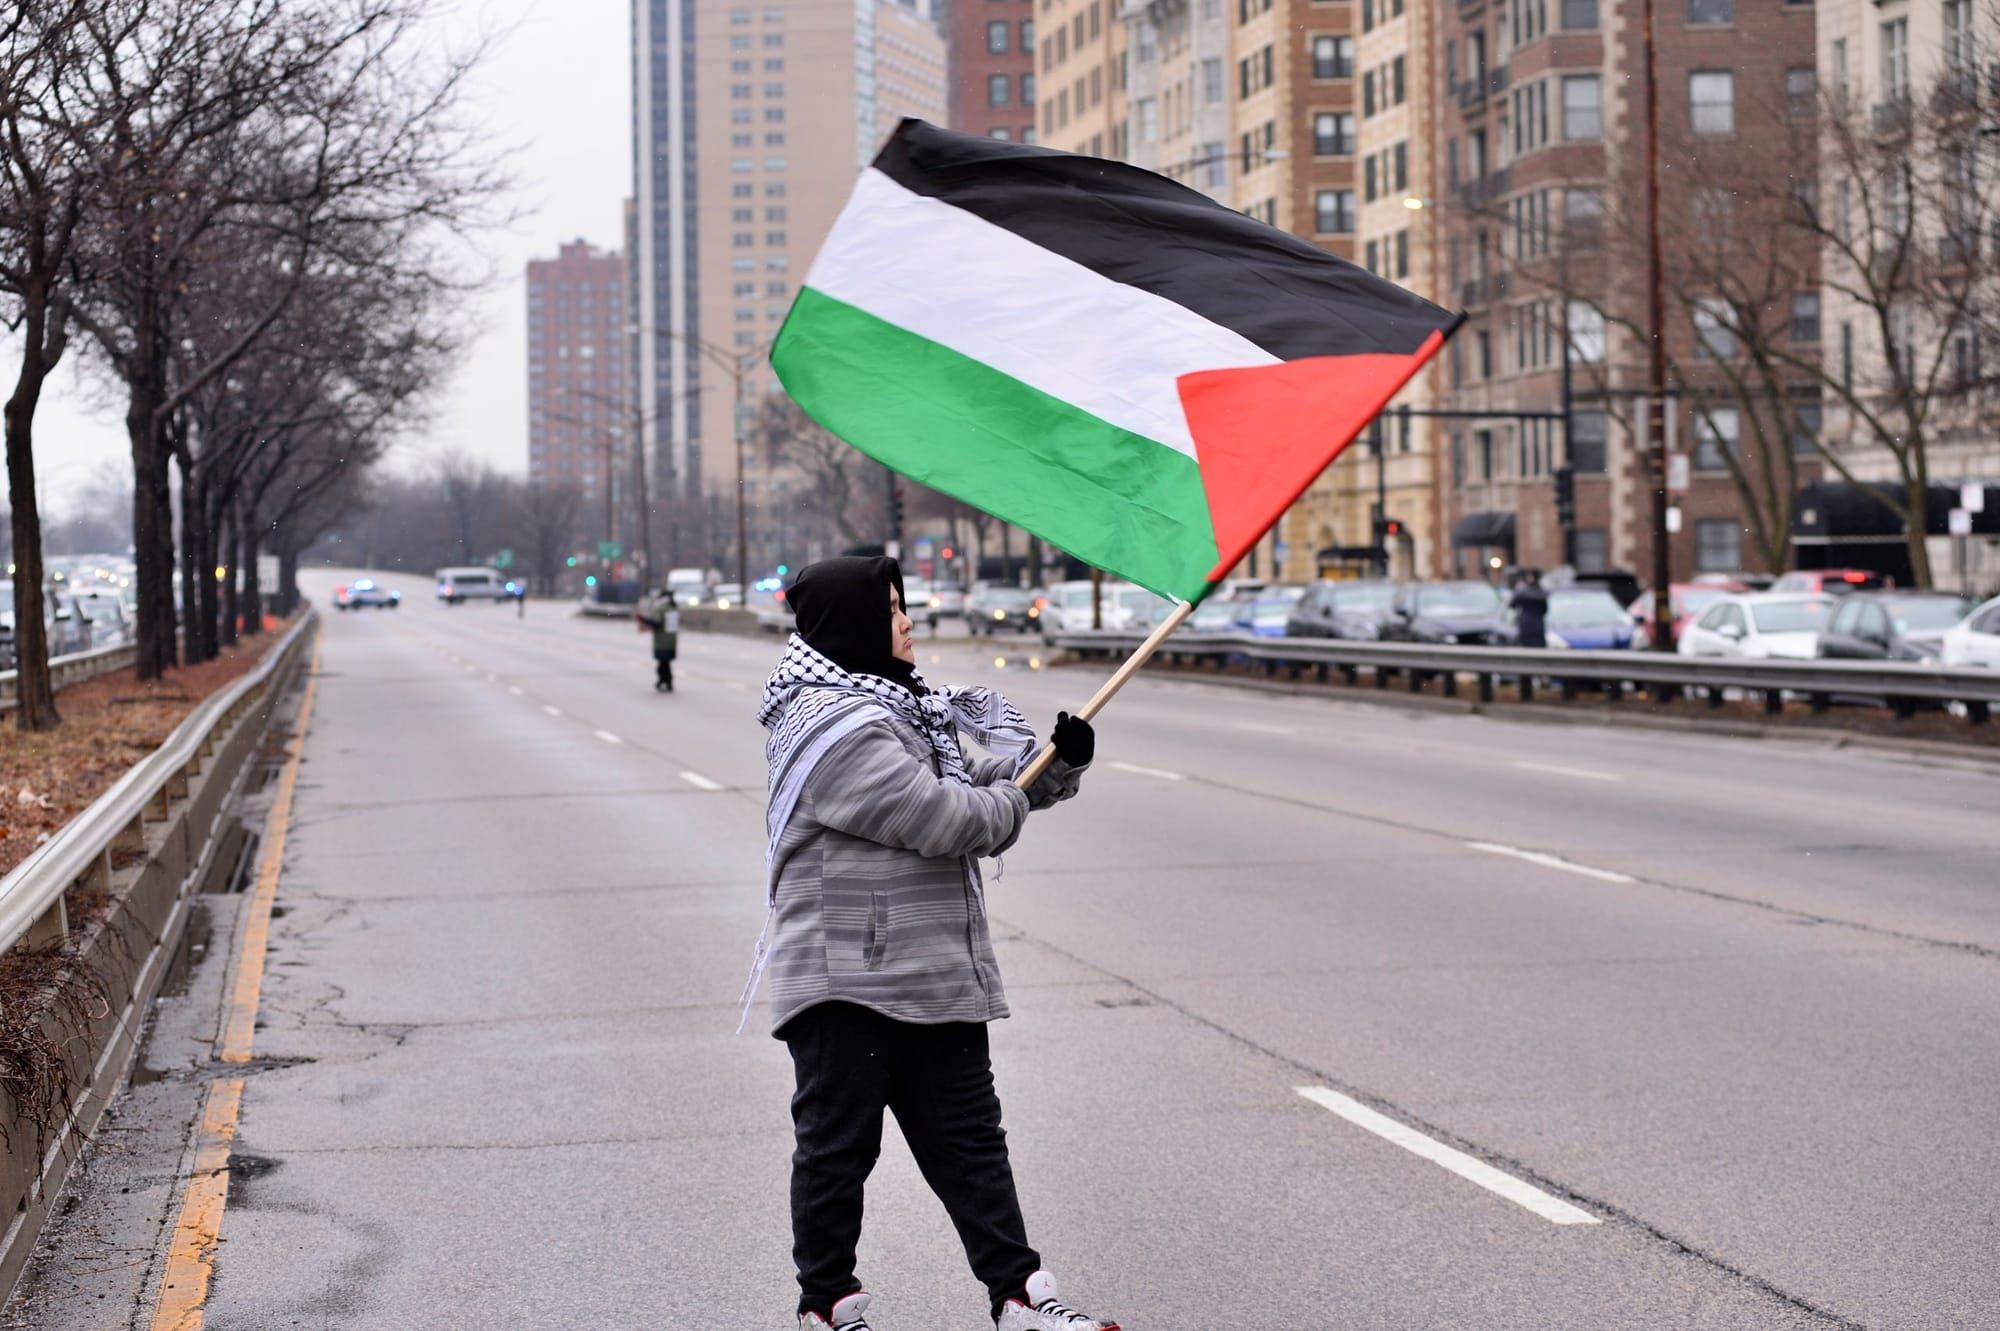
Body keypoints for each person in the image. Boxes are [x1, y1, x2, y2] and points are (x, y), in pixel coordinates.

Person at [750, 556, 1116, 1331]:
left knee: (972, 1146)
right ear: (852, 625)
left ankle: (1019, 1295)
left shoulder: (904, 710)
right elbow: (944, 815)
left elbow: (988, 778)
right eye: (890, 609)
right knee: (838, 1150)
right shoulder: (829, 727)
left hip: (933, 969)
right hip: (845, 978)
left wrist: (1057, 764)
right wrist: (1014, 796)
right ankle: (827, 1305)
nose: (908, 621)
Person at [638, 587, 679, 691]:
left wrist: (643, 620)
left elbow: (657, 623)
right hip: (672, 641)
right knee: (666, 664)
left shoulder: (662, 609)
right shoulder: (674, 608)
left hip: (662, 641)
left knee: (662, 664)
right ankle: (666, 682)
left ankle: (663, 681)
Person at [1512, 568, 1548, 648]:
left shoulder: (1522, 591)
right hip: (1538, 625)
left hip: (1526, 624)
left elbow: (1513, 605)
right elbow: (1545, 610)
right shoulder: (1542, 592)